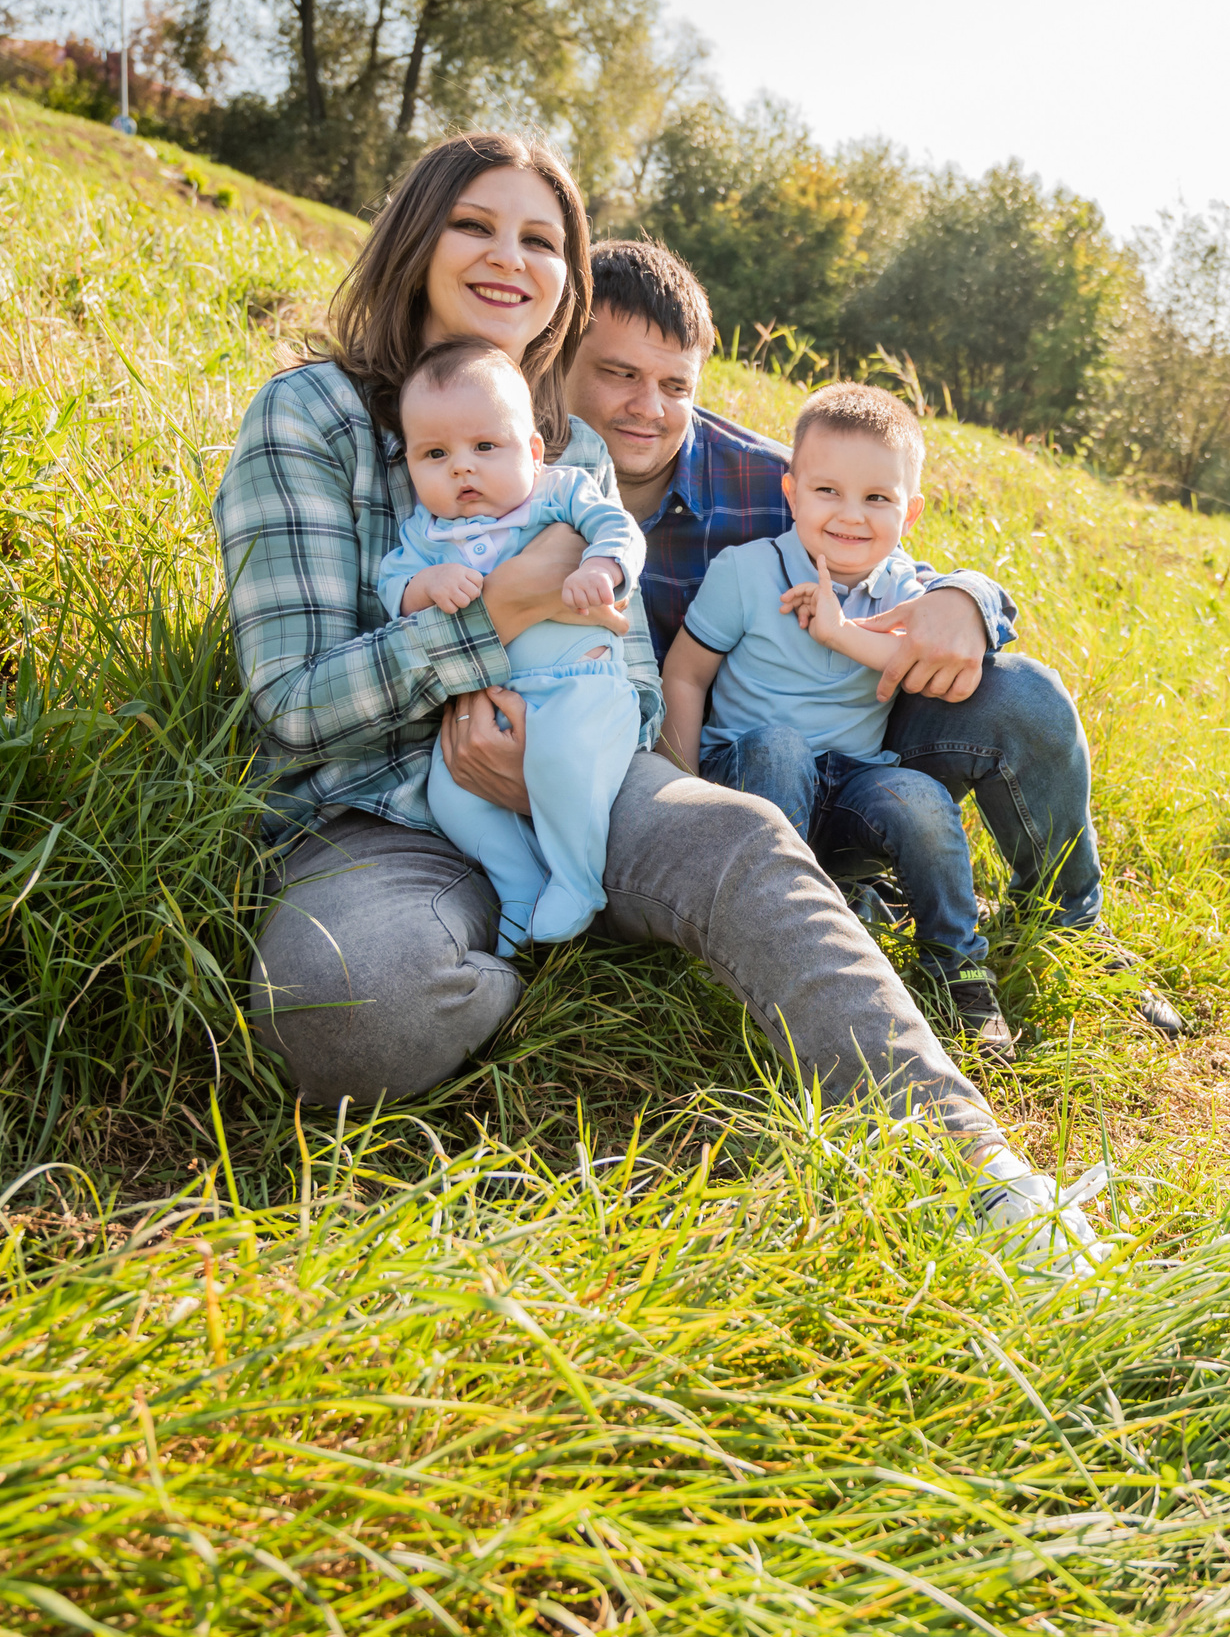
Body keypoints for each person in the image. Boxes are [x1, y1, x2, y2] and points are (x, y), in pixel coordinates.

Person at [214, 130, 1108, 1277]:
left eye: (542, 239)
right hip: (374, 813)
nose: (509, 258)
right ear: (414, 236)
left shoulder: (574, 447)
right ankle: (523, 945)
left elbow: (639, 675)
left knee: (740, 835)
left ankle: (985, 1179)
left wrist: (964, 591)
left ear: (567, 279)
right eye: (476, 225)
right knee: (345, 1002)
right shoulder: (311, 419)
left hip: (582, 762)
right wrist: (494, 625)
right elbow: (292, 705)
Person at [567, 240, 1189, 1041]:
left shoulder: (770, 479)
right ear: (562, 357)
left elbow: (891, 558)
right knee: (775, 751)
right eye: (619, 373)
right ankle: (791, 927)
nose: (648, 406)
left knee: (1023, 691)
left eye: (674, 384)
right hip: (689, 778)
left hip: (852, 759)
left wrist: (968, 596)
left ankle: (1070, 925)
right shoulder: (508, 474)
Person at [660, 382, 1012, 1059]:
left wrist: (838, 629)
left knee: (918, 796)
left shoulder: (912, 593)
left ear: (910, 512)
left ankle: (956, 963)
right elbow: (685, 673)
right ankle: (776, 940)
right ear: (791, 494)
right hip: (749, 773)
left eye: (877, 498)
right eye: (828, 492)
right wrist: (679, 794)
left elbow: (917, 657)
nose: (851, 515)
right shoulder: (747, 572)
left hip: (849, 782)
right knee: (782, 747)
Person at [382, 337, 644, 955]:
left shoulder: (560, 491)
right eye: (435, 454)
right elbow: (392, 588)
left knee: (560, 760)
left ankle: (578, 883)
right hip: (488, 706)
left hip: (580, 689)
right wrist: (426, 584)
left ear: (531, 451)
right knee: (450, 795)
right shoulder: (425, 534)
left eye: (485, 447)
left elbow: (619, 527)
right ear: (412, 466)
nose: (461, 468)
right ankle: (520, 887)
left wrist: (601, 570)